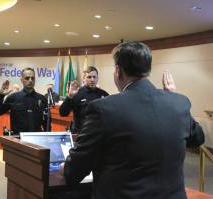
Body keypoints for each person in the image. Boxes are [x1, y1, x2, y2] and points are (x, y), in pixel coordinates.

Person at [62, 42, 204, 199]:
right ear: (147, 69)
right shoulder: (179, 103)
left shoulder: (103, 109)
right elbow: (198, 139)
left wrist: (66, 168)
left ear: (118, 71)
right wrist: (172, 97)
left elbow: (75, 170)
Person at [0, 67, 48, 134]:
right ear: (21, 80)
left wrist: (47, 137)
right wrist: (1, 96)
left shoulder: (42, 99)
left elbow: (47, 122)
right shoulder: (13, 97)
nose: (30, 80)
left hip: (37, 138)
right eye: (27, 78)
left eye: (32, 78)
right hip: (18, 139)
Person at [59, 66, 109, 133]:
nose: (92, 79)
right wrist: (70, 96)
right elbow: (63, 113)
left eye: (94, 77)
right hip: (81, 134)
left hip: (98, 134)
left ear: (97, 78)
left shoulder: (103, 94)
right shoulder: (76, 93)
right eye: (89, 77)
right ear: (83, 79)